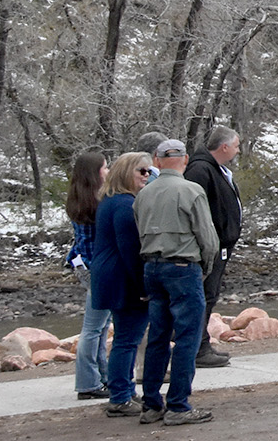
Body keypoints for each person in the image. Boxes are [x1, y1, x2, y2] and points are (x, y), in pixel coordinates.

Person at [133, 139, 220, 426]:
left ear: (157, 161)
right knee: (187, 338)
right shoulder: (191, 191)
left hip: (152, 267)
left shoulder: (143, 195)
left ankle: (151, 404)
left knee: (158, 335)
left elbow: (138, 231)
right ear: (183, 161)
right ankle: (179, 405)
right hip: (183, 266)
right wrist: (205, 268)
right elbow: (207, 238)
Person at [91, 152, 153, 417]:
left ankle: (125, 392)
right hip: (121, 279)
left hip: (110, 276)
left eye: (148, 171)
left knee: (125, 338)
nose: (146, 176)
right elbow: (130, 250)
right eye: (141, 171)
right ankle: (119, 397)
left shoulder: (111, 201)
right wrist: (143, 287)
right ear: (127, 172)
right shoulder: (124, 205)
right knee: (127, 339)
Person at [183, 127, 242, 369]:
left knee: (209, 295)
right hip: (209, 246)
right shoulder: (200, 170)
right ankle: (198, 348)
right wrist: (208, 241)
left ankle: (201, 344)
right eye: (236, 146)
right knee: (204, 296)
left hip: (220, 243)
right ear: (224, 147)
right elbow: (196, 209)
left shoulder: (215, 169)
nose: (238, 150)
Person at [65, 150, 111, 400]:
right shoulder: (98, 202)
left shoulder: (77, 199)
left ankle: (100, 377)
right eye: (105, 167)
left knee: (102, 326)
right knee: (93, 328)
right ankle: (87, 383)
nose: (108, 171)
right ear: (95, 173)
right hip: (98, 269)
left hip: (84, 266)